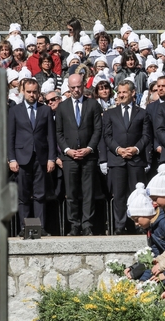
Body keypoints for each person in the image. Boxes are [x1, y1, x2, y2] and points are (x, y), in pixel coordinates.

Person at [7, 78, 55, 237]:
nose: (32, 95)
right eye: (29, 92)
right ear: (23, 91)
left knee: (40, 194)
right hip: (22, 158)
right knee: (23, 195)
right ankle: (24, 227)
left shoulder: (45, 110)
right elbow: (10, 136)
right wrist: (12, 159)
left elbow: (51, 136)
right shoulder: (15, 110)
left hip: (40, 158)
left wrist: (51, 158)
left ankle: (40, 227)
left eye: (35, 92)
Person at [56, 74, 102, 236]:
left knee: (88, 192)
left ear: (83, 86)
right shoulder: (62, 107)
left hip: (88, 156)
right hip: (70, 157)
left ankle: (87, 224)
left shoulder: (93, 105)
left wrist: (89, 148)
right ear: (68, 88)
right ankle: (74, 224)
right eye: (73, 87)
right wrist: (67, 150)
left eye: (79, 87)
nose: (76, 90)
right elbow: (59, 132)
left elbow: (98, 130)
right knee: (71, 192)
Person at [100, 80, 149, 235]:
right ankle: (120, 226)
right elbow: (107, 136)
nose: (121, 95)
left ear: (132, 93)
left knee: (137, 194)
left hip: (136, 160)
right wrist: (119, 149)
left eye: (124, 92)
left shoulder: (142, 113)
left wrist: (135, 149)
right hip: (117, 159)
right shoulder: (109, 113)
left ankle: (137, 224)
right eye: (119, 92)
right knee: (119, 195)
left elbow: (146, 135)